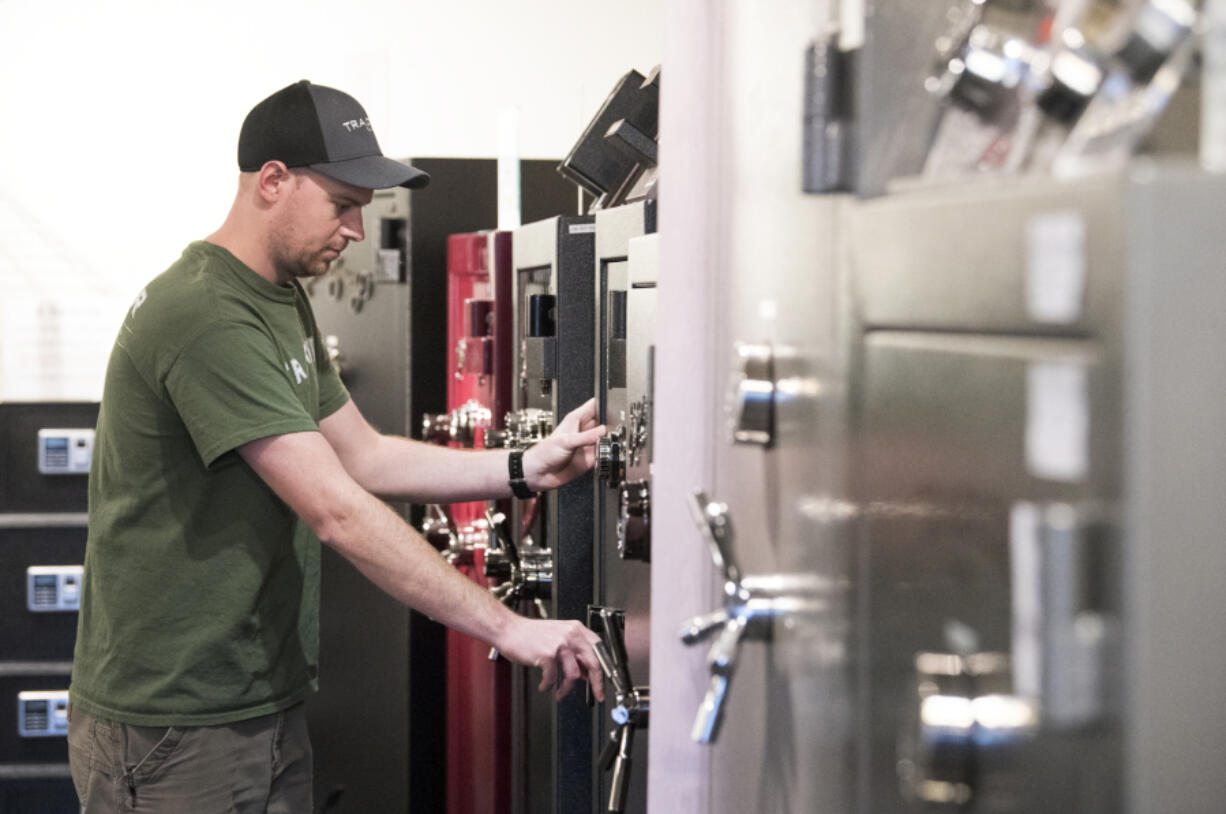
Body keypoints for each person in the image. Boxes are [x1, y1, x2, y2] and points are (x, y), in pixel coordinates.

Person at [67, 79, 606, 813]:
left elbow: (364, 456)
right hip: (176, 719)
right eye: (343, 204)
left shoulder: (278, 296)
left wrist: (523, 467)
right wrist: (507, 627)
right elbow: (337, 510)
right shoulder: (204, 313)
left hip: (258, 697)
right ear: (273, 182)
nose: (356, 230)